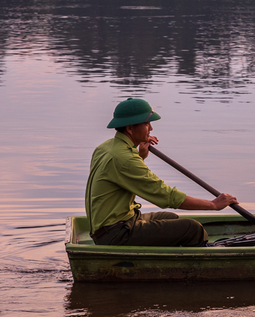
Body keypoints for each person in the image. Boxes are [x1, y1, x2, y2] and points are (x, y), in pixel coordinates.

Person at [86, 98, 238, 246]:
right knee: (192, 229)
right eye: (146, 123)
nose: (151, 128)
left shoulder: (105, 147)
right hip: (115, 234)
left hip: (115, 224)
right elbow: (166, 196)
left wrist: (139, 154)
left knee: (171, 218)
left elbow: (121, 174)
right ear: (130, 128)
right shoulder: (125, 159)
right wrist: (213, 204)